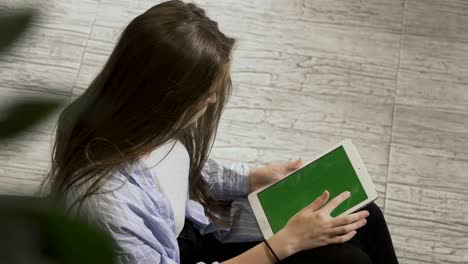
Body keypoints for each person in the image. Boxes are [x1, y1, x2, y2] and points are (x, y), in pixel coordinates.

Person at [44, 1, 399, 263]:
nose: (213, 100)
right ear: (165, 96)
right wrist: (283, 244)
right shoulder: (110, 207)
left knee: (364, 217)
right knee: (346, 260)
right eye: (206, 93)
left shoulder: (145, 122)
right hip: (180, 254)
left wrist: (255, 177)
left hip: (199, 228)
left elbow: (181, 169)